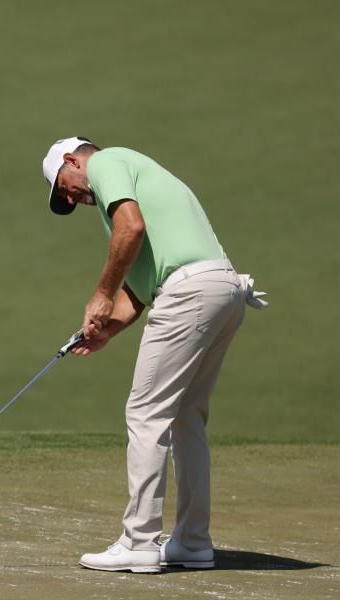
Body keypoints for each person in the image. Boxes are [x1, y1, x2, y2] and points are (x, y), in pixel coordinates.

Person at [41, 137, 266, 573]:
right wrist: (106, 330)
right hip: (222, 289)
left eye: (63, 186)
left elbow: (132, 228)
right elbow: (143, 290)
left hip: (190, 292)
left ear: (73, 160)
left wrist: (101, 294)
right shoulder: (135, 176)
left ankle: (140, 541)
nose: (70, 197)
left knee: (146, 414)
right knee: (185, 417)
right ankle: (193, 542)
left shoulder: (106, 163)